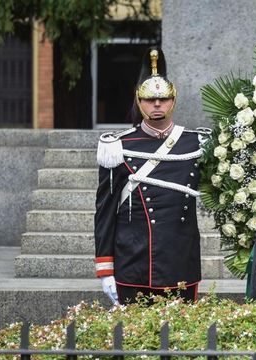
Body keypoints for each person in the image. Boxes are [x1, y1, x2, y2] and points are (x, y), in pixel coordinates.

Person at [94, 47, 210, 305]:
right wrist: (105, 269)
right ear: (139, 101)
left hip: (181, 259)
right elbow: (104, 211)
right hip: (134, 260)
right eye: (149, 99)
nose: (157, 104)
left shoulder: (196, 143)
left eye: (164, 99)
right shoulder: (118, 146)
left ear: (173, 100)